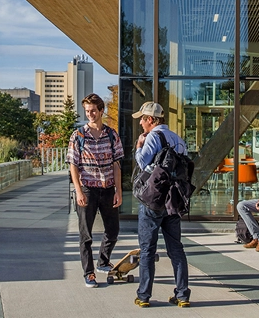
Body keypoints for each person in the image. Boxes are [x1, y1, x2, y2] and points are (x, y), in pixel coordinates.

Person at [133, 102, 190, 308]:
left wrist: (139, 147)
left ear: (151, 119)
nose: (140, 123)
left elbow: (143, 162)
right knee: (176, 248)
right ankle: (182, 295)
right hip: (173, 200)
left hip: (153, 200)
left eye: (142, 119)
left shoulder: (153, 137)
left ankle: (144, 296)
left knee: (147, 249)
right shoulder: (178, 139)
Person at [68, 93, 123, 289]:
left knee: (113, 231)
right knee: (86, 235)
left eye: (93, 111)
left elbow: (117, 165)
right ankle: (89, 273)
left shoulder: (112, 135)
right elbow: (73, 165)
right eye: (87, 111)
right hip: (87, 190)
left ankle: (103, 261)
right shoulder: (78, 136)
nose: (90, 114)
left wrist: (118, 190)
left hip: (107, 189)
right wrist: (79, 191)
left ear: (101, 111)